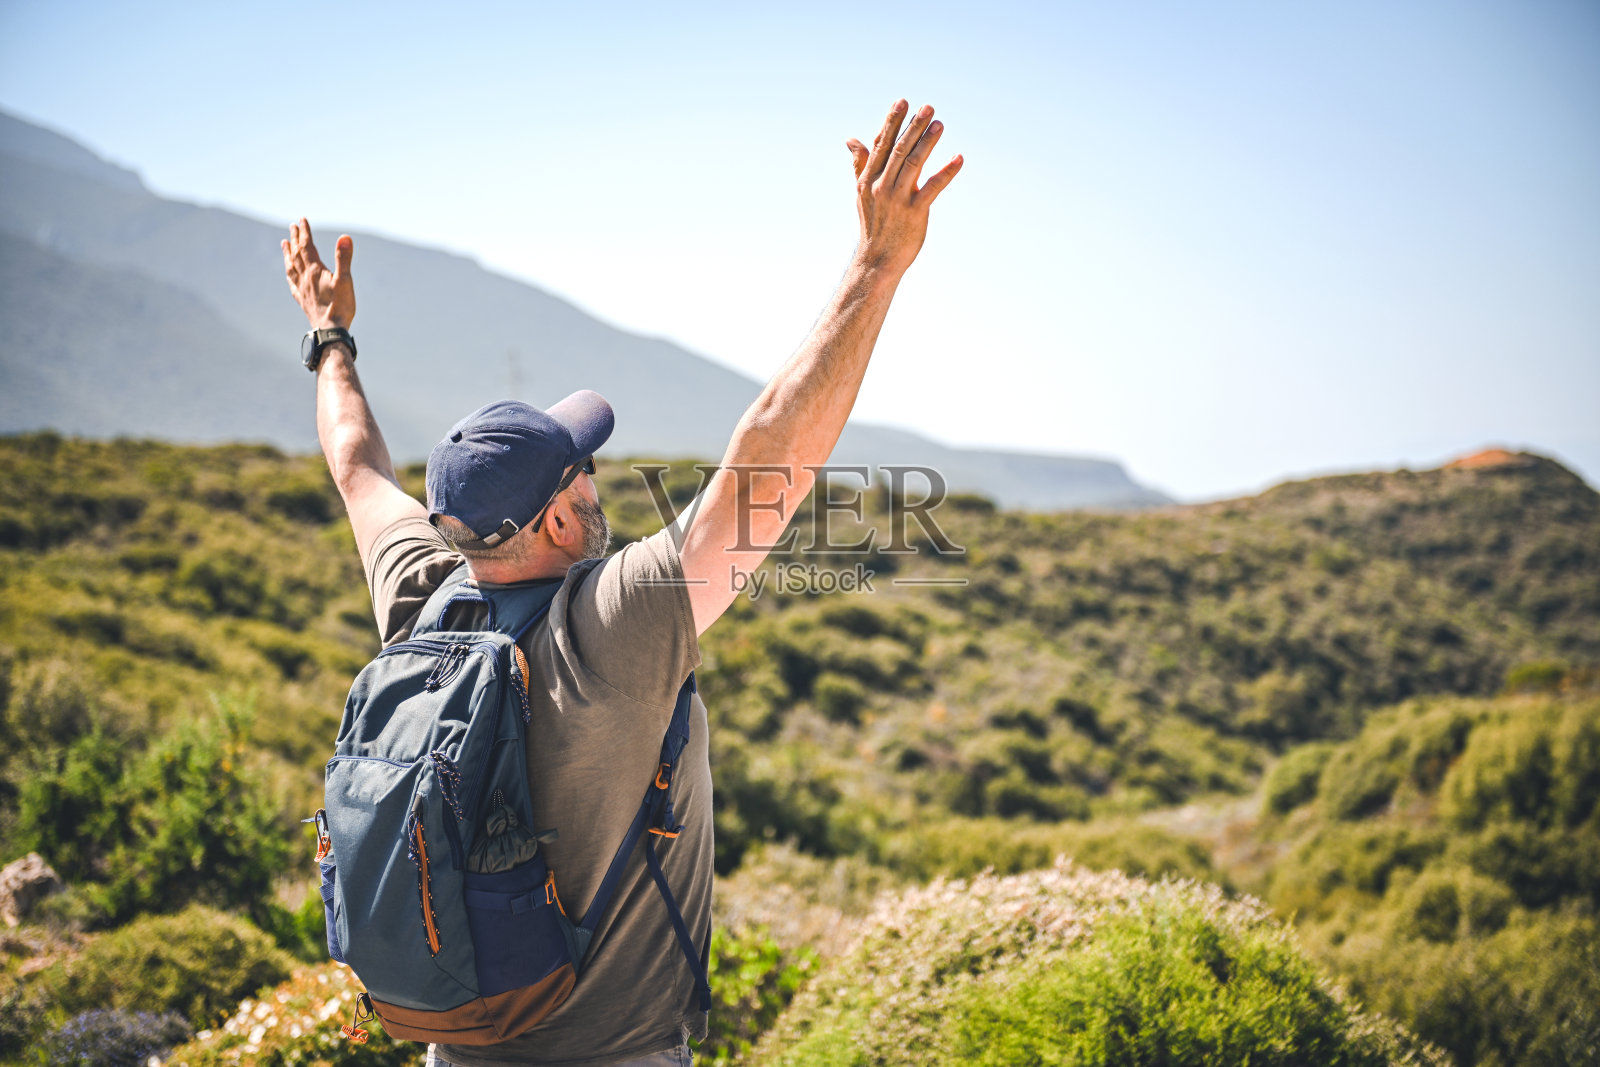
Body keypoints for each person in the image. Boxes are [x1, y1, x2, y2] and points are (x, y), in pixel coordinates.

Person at [282, 99, 961, 1067]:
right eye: (583, 470)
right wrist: (878, 264)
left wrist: (328, 337)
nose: (599, 478)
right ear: (561, 517)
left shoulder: (419, 599)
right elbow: (771, 452)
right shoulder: (616, 624)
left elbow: (355, 464)